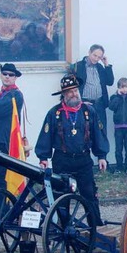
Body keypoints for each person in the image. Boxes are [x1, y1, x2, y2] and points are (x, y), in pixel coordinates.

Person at [35, 74, 109, 226]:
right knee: (61, 197)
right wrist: (43, 158)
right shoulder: (54, 113)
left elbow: (98, 134)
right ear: (63, 95)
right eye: (69, 91)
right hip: (62, 161)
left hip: (84, 160)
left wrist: (102, 156)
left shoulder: (89, 111)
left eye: (75, 90)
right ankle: (64, 231)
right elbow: (46, 135)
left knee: (90, 195)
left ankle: (97, 229)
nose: (74, 93)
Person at [72, 44, 114, 128]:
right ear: (89, 52)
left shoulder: (100, 67)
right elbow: (71, 87)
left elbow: (110, 82)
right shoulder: (78, 66)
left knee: (101, 131)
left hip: (99, 104)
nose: (96, 59)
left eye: (99, 57)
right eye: (94, 55)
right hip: (85, 103)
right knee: (86, 131)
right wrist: (79, 102)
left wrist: (106, 65)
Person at [108, 77, 127, 175]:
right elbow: (112, 107)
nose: (124, 89)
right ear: (119, 88)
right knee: (118, 149)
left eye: (126, 87)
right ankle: (119, 167)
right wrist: (117, 96)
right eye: (122, 87)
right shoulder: (114, 97)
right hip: (118, 127)